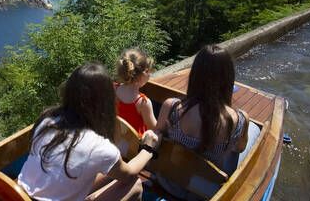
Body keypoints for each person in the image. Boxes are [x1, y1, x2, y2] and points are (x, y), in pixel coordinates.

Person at [17, 63, 161, 201]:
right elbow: (129, 174)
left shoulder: (48, 120)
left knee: (106, 173)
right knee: (135, 185)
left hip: (18, 195)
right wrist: (148, 149)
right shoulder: (98, 146)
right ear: (107, 101)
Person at [155, 44, 249, 198]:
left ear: (195, 75)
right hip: (204, 193)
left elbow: (158, 136)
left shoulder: (171, 107)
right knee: (251, 132)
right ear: (229, 78)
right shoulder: (240, 119)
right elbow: (240, 148)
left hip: (169, 182)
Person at [115, 49, 157, 136]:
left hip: (114, 139)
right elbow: (154, 129)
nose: (150, 75)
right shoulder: (143, 103)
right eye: (148, 71)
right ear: (143, 74)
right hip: (134, 147)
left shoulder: (112, 89)